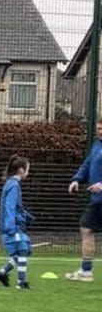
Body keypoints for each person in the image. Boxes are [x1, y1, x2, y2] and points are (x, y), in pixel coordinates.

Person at [65, 118, 102, 282]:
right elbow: (87, 165)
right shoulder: (96, 145)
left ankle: (86, 271)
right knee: (86, 229)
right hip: (97, 200)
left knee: (86, 229)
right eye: (98, 128)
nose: (100, 132)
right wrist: (76, 180)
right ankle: (86, 271)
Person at [0, 155, 33, 290]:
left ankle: (3, 272)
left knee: (24, 251)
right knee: (22, 250)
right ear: (21, 170)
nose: (28, 172)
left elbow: (15, 207)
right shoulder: (14, 185)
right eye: (28, 169)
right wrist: (10, 227)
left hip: (15, 224)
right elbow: (10, 207)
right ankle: (21, 282)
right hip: (14, 226)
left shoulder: (11, 184)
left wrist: (26, 216)